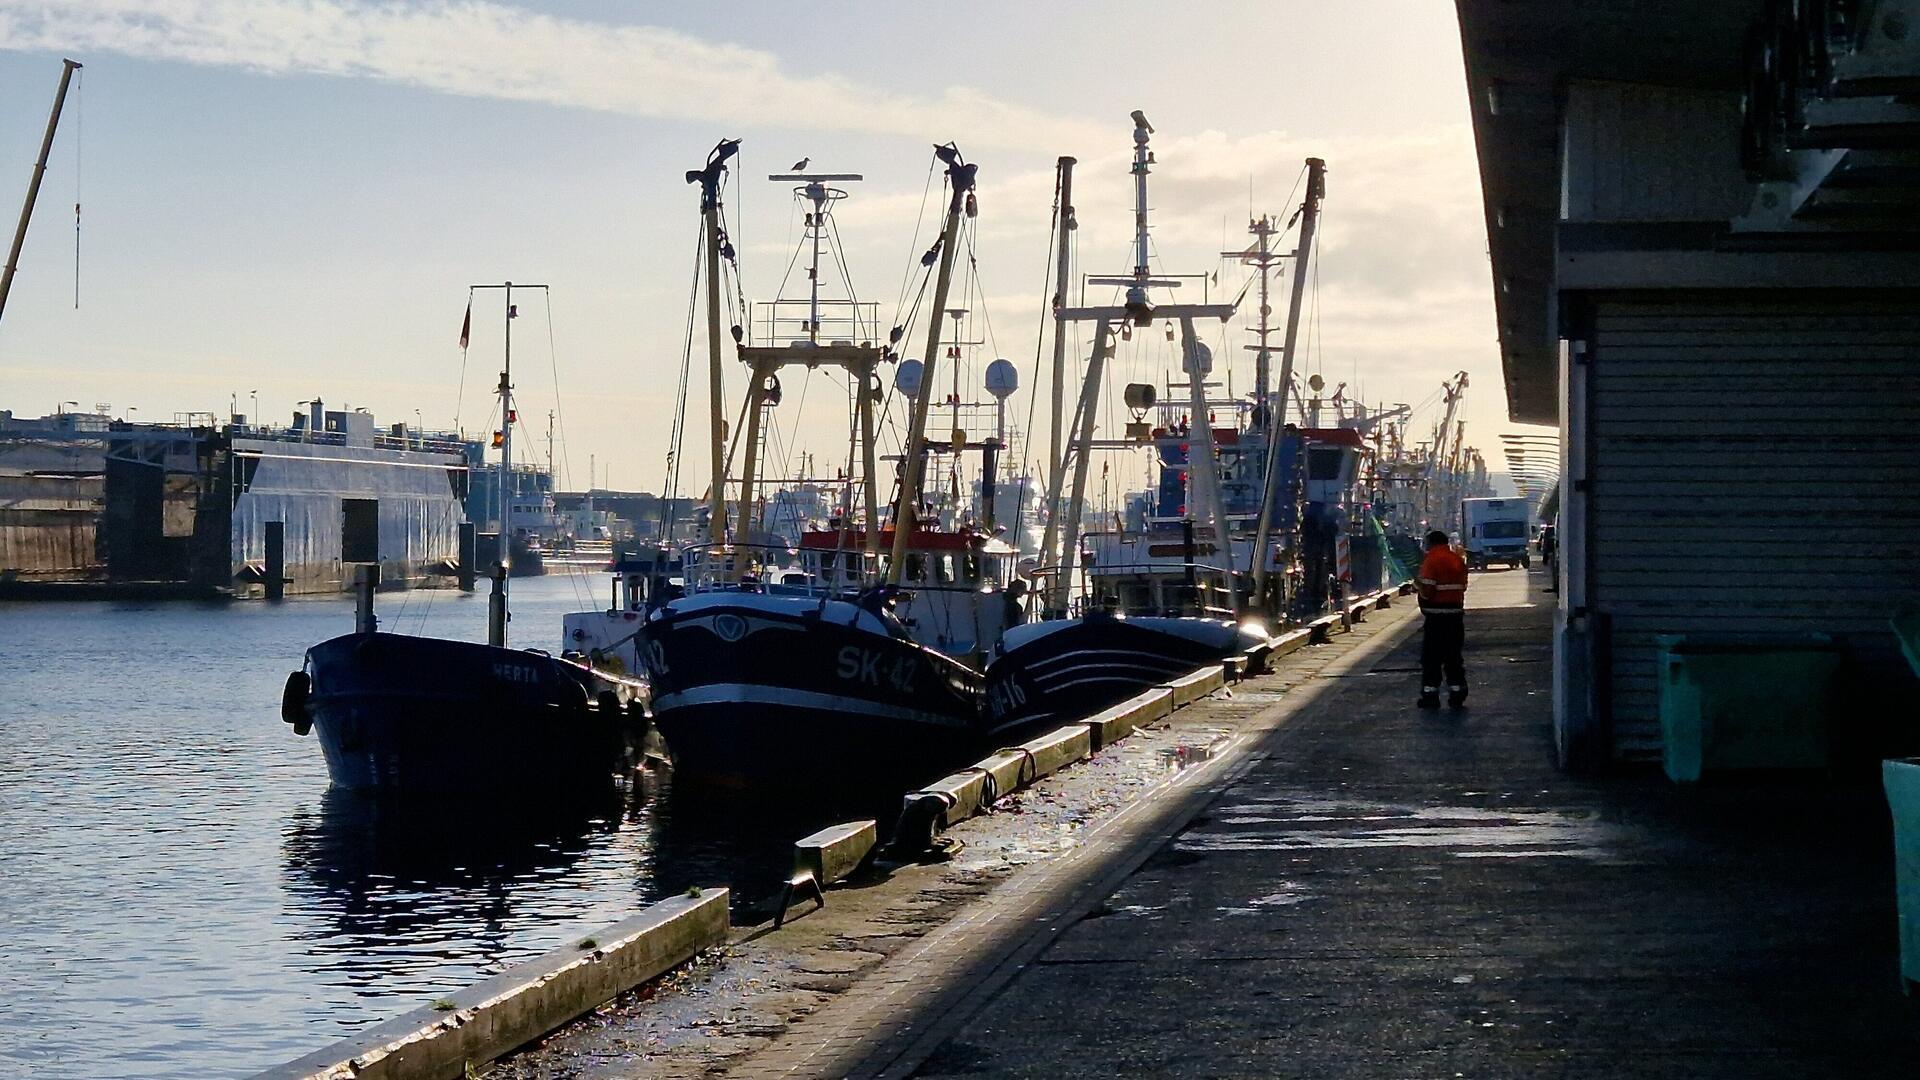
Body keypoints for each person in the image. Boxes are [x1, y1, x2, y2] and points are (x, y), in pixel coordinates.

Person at [1415, 529, 1469, 709]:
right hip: (1455, 616)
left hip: (1436, 618)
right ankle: (1457, 692)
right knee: (1453, 656)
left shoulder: (1431, 561)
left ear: (1431, 543)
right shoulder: (1456, 559)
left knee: (1432, 658)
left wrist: (1419, 588)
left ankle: (1430, 695)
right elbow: (1463, 585)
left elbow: (1428, 590)